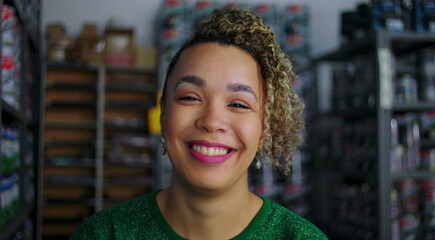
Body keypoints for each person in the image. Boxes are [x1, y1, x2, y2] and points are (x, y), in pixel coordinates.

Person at [70, 8, 327, 240]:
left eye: (239, 104)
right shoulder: (104, 234)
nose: (212, 121)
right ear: (163, 114)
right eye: (190, 97)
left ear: (264, 129)